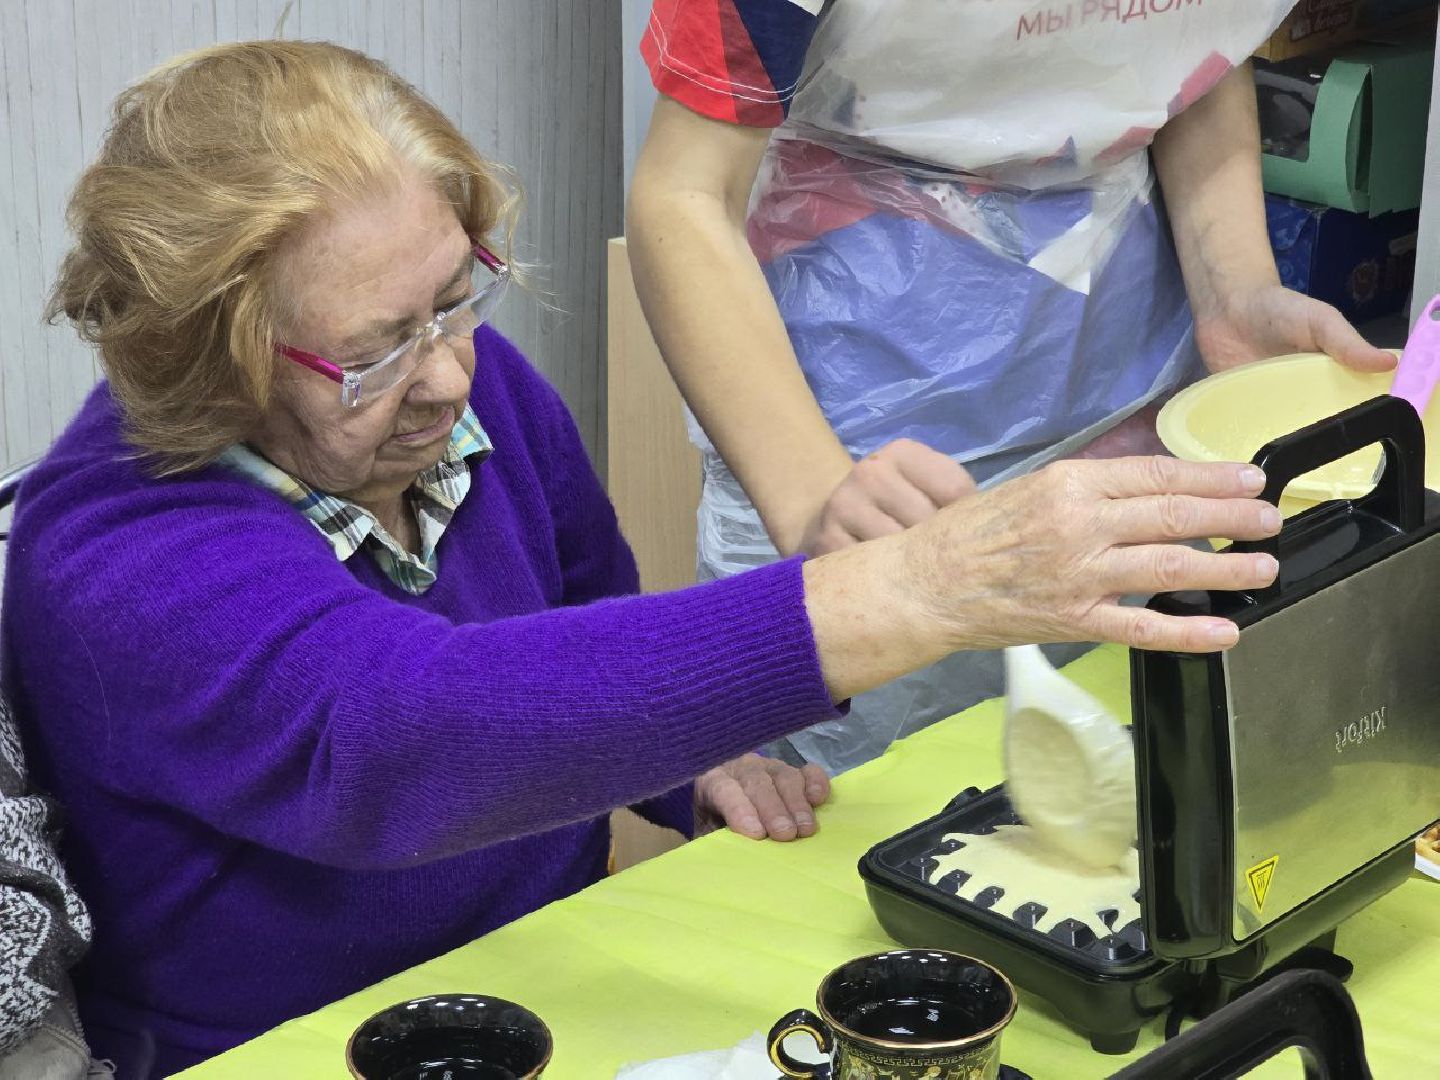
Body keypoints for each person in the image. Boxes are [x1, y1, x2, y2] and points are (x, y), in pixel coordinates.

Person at [1, 41, 1280, 1076]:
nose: (448, 374)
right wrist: (914, 589)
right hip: (290, 1048)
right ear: (211, 359)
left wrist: (687, 755)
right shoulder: (111, 548)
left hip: (545, 978)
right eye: (374, 350)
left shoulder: (467, 387)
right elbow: (401, 737)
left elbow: (585, 611)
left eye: (456, 296)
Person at [626, 0, 1397, 773]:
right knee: (868, 788)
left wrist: (1233, 287)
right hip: (852, 404)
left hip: (1129, 353)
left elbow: (1189, 42)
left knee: (1142, 743)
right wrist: (812, 498)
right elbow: (686, 194)